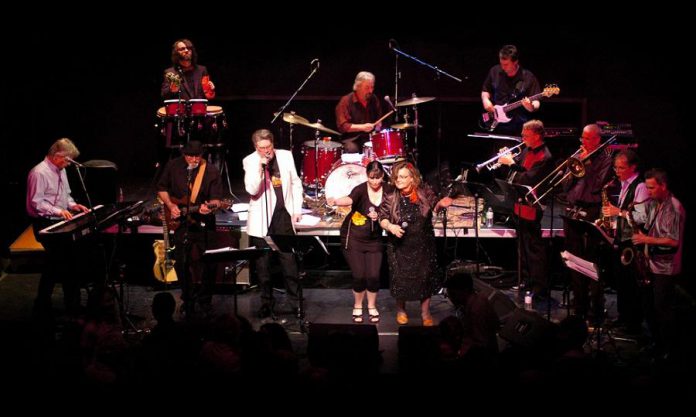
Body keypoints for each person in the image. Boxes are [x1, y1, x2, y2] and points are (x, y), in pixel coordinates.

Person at [157, 140, 224, 317]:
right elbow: (162, 188)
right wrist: (171, 206)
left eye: (197, 156)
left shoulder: (211, 171)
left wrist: (209, 207)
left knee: (210, 262)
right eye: (190, 156)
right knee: (181, 261)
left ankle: (205, 300)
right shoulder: (173, 166)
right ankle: (188, 298)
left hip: (204, 223)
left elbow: (217, 200)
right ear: (184, 154)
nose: (193, 159)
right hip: (182, 223)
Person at [242, 129, 303, 318]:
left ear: (273, 144)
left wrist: (297, 208)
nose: (266, 151)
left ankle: (295, 303)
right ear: (255, 147)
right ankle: (266, 303)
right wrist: (261, 168)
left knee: (289, 263)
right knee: (263, 267)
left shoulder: (285, 156)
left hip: (283, 216)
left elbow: (295, 182)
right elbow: (252, 189)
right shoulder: (250, 161)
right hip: (261, 220)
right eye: (262, 148)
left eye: (268, 147)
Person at [379, 161, 447, 326]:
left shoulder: (424, 192)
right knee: (400, 278)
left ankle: (425, 312)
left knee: (425, 278)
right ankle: (401, 310)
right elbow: (382, 217)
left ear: (412, 179)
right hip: (399, 245)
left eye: (403, 177)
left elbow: (435, 205)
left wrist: (441, 203)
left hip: (423, 243)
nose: (399, 180)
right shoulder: (390, 196)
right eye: (397, 177)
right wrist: (390, 226)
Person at [27, 138, 89, 318]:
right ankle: (51, 305)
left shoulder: (60, 170)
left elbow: (66, 196)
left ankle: (54, 304)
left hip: (58, 221)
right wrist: (59, 211)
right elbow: (36, 203)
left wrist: (73, 205)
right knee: (59, 262)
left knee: (58, 264)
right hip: (44, 223)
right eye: (67, 160)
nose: (68, 164)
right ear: (56, 156)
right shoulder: (39, 173)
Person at [327, 161, 392, 323]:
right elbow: (349, 200)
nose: (375, 182)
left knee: (373, 276)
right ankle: (357, 305)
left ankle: (371, 306)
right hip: (354, 236)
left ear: (383, 176)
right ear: (367, 176)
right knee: (359, 276)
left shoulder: (389, 190)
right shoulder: (361, 189)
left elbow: (394, 208)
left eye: (378, 178)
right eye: (372, 178)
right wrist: (334, 200)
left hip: (374, 239)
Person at [630, 168, 685, 359]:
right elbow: (646, 224)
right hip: (651, 264)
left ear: (663, 186)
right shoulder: (654, 203)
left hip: (666, 268)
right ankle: (656, 343)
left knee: (663, 311)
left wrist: (646, 240)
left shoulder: (674, 207)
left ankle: (669, 350)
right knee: (650, 308)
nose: (649, 192)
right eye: (647, 188)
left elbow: (673, 241)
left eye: (652, 188)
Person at [562, 124, 614, 322]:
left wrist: (587, 164)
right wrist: (571, 169)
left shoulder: (606, 157)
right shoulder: (578, 155)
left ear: (598, 139)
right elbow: (566, 186)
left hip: (592, 211)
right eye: (582, 138)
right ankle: (579, 306)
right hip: (573, 209)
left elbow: (597, 186)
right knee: (574, 260)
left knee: (592, 261)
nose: (583, 142)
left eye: (587, 138)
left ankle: (596, 310)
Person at [497, 120, 554, 297]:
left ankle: (539, 287)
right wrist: (509, 160)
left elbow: (528, 179)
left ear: (537, 136)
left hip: (533, 207)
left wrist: (510, 163)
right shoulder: (527, 150)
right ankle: (526, 280)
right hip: (519, 205)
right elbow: (517, 173)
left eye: (526, 135)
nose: (522, 138)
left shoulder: (545, 156)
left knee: (534, 249)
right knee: (522, 247)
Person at [601, 149, 649, 333]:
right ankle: (623, 318)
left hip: (633, 243)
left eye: (621, 168)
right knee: (621, 283)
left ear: (633, 167)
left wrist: (617, 212)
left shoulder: (641, 186)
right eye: (615, 167)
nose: (617, 171)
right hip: (622, 238)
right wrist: (610, 222)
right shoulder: (624, 184)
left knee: (631, 285)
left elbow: (642, 217)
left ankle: (632, 323)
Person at [481, 44, 541, 135]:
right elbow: (485, 90)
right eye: (501, 64)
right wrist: (485, 100)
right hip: (496, 123)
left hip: (519, 127)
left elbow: (536, 101)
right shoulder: (494, 71)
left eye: (506, 64)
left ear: (515, 62)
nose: (502, 67)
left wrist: (531, 107)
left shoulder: (528, 77)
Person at [445, 271, 500, 357]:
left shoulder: (476, 309)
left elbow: (480, 345)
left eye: (453, 294)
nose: (451, 298)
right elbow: (496, 324)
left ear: (465, 291)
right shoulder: (479, 299)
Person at [335, 71, 383, 153]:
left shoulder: (374, 99)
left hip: (369, 138)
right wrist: (363, 127)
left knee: (381, 147)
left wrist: (378, 125)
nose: (370, 91)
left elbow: (379, 119)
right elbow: (343, 126)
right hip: (351, 139)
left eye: (372, 87)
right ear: (357, 87)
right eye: (367, 87)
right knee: (352, 149)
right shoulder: (345, 101)